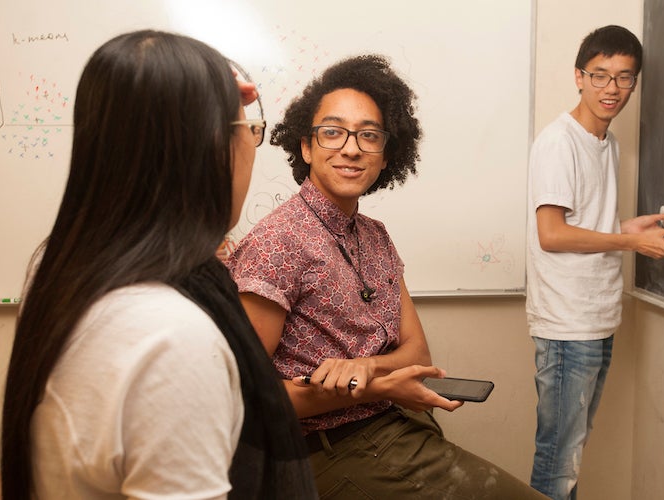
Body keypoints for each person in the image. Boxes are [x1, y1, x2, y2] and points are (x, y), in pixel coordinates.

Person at [0, 30, 317, 499]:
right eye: (250, 129)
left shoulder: (63, 271)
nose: (253, 143)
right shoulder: (171, 337)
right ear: (211, 150)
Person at [228, 54, 546, 499]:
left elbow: (417, 352)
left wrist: (365, 368)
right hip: (331, 449)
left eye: (369, 136)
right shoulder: (278, 241)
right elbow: (243, 397)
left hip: (396, 425)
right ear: (306, 146)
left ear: (386, 154)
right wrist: (374, 387)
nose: (352, 148)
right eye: (333, 132)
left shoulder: (375, 236)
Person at [526, 25, 664, 499]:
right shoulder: (559, 142)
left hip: (597, 316)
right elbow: (551, 234)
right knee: (558, 460)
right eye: (599, 75)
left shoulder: (607, 143)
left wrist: (626, 228)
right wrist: (631, 244)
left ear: (635, 83)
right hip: (567, 323)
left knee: (570, 455)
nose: (611, 89)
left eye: (624, 77)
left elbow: (585, 219)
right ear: (579, 77)